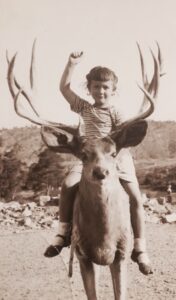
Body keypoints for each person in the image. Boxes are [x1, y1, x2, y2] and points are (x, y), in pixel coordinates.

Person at [44, 51, 152, 275]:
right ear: (89, 88)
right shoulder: (84, 108)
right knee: (68, 185)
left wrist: (114, 155)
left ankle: (140, 246)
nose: (100, 91)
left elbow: (123, 138)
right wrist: (71, 64)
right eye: (96, 87)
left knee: (135, 197)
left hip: (116, 159)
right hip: (88, 159)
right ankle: (62, 233)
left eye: (105, 88)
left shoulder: (117, 112)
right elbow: (64, 88)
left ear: (113, 90)